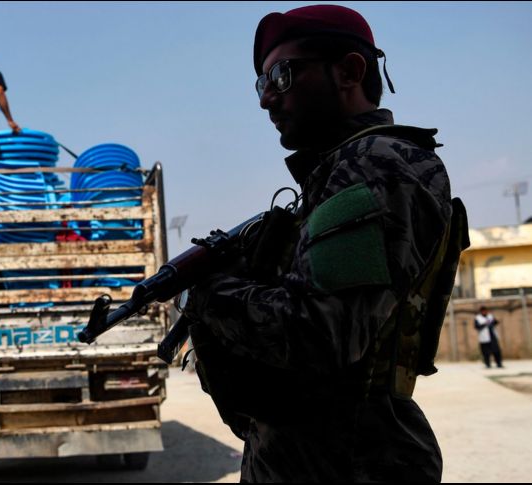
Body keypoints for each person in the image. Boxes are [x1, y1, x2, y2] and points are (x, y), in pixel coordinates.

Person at [183, 4, 469, 482]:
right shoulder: (337, 174)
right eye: (261, 83)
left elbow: (318, 333)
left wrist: (206, 292)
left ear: (348, 72)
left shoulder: (378, 166)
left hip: (351, 461)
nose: (266, 99)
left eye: (281, 75)